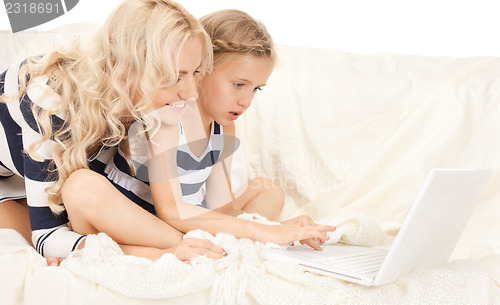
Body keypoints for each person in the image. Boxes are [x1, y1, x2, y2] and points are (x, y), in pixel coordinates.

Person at [0, 0, 226, 264]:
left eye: (195, 73)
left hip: (35, 179)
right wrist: (165, 251)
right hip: (8, 183)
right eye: (175, 76)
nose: (191, 93)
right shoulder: (50, 99)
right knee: (68, 231)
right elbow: (48, 236)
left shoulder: (142, 106)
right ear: (127, 69)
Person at [101, 9, 335, 250]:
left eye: (256, 89)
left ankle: (249, 242)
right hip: (141, 215)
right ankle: (223, 242)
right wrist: (263, 230)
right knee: (250, 223)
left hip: (188, 214)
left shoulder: (224, 128)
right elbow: (170, 210)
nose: (246, 101)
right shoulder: (169, 118)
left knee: (269, 190)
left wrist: (280, 228)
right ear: (201, 71)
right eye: (238, 84)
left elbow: (221, 207)